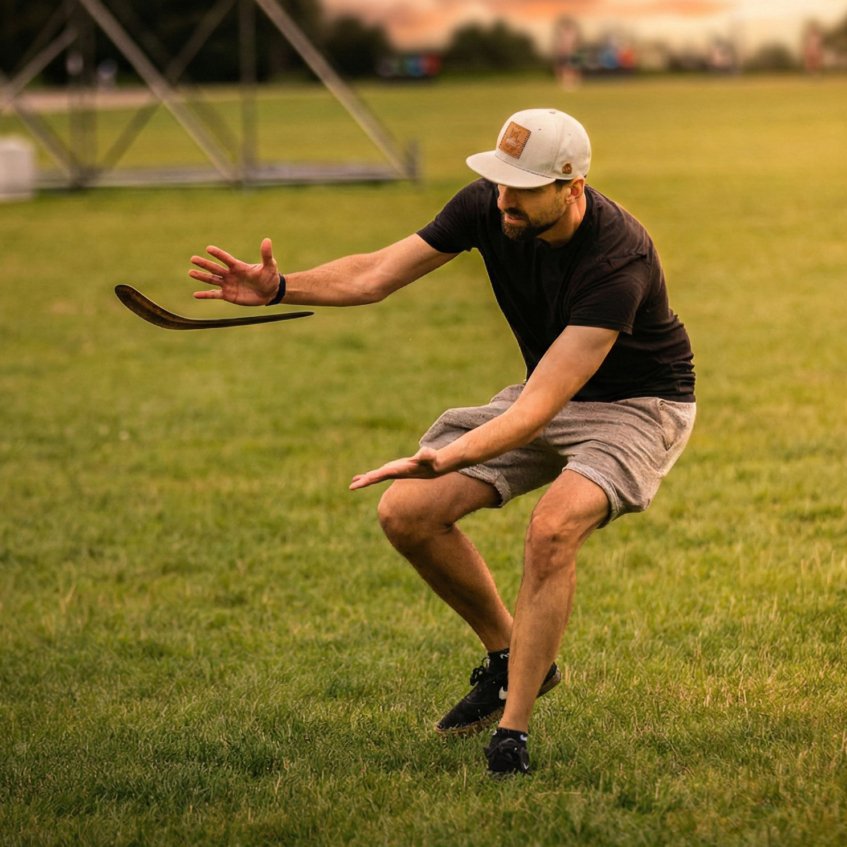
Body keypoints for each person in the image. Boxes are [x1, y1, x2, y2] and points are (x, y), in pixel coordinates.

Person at [189, 108, 696, 778]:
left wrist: (449, 454)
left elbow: (538, 407)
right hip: (551, 388)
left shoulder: (618, 256)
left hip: (636, 405)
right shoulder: (489, 206)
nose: (503, 199)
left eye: (522, 187)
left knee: (551, 529)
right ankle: (509, 658)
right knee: (406, 513)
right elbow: (376, 274)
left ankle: (511, 733)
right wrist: (282, 287)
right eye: (499, 181)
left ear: (571, 187)